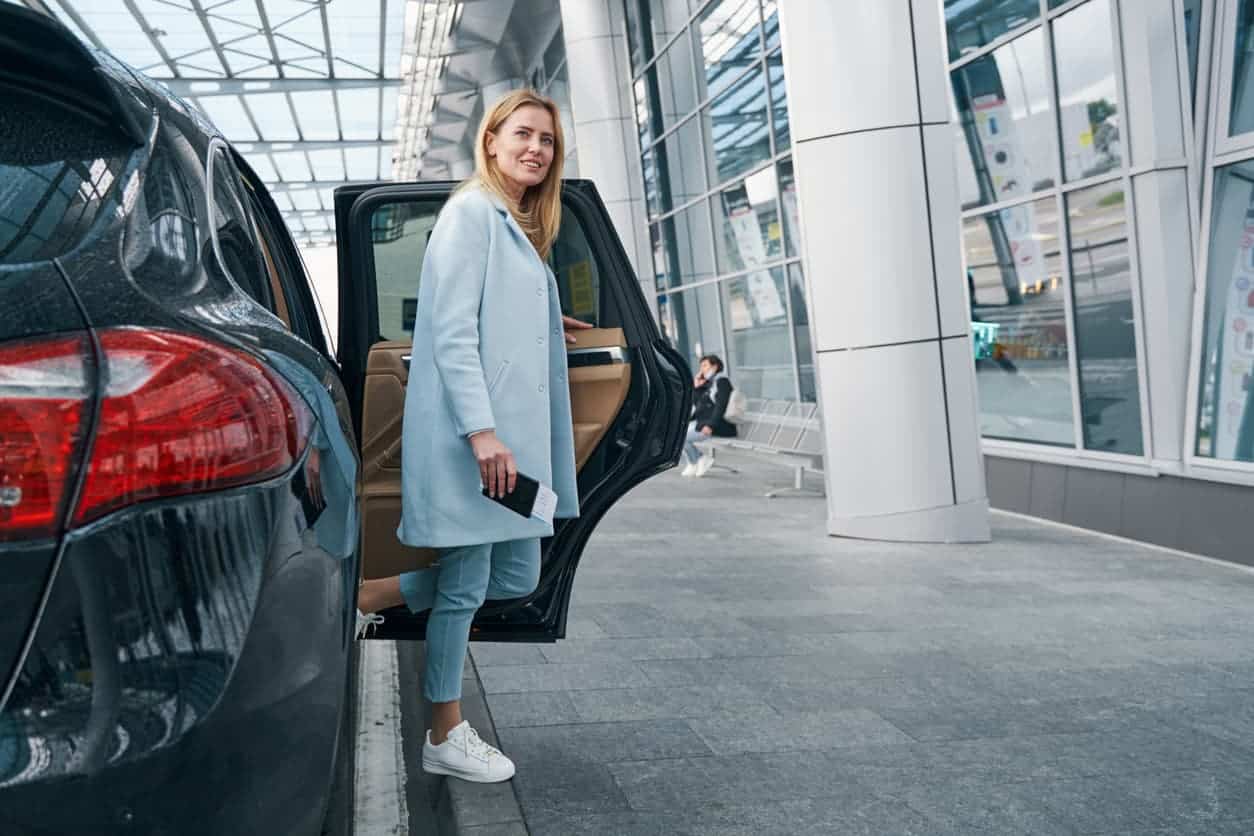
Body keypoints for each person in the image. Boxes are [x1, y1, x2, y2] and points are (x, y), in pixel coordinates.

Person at [354, 89, 590, 783]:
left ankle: (376, 594)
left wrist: (550, 314)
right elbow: (452, 331)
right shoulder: (469, 215)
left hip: (507, 443)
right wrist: (482, 432)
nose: (535, 150)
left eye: (546, 141)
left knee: (519, 572)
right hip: (479, 441)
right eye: (523, 134)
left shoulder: (510, 224)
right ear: (490, 140)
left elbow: (496, 314)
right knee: (464, 583)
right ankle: (444, 732)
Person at [681, 354, 737, 477]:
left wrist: (711, 425)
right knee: (679, 436)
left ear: (715, 366)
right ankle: (695, 462)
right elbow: (699, 404)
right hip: (706, 423)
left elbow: (720, 406)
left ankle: (699, 459)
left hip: (720, 425)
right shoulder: (711, 383)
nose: (702, 369)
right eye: (701, 366)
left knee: (681, 438)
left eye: (705, 365)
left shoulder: (722, 382)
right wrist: (696, 387)